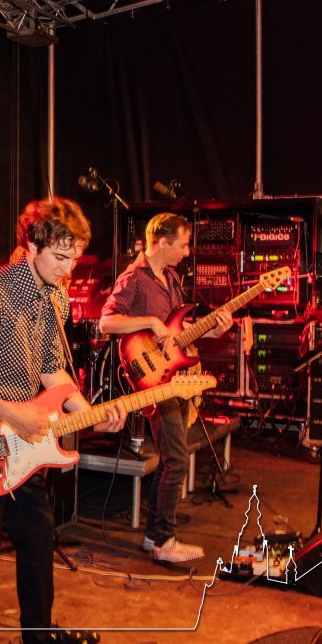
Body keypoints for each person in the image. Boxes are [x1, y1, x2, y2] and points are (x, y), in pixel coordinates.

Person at [0, 197, 125, 644]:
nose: (68, 270)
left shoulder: (54, 297)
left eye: (74, 259)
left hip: (23, 442)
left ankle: (38, 633)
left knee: (39, 533)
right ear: (32, 246)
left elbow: (51, 370)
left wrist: (89, 413)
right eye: (60, 257)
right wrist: (12, 414)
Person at [97, 212, 231, 564]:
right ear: (161, 242)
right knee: (177, 459)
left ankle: (154, 535)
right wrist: (150, 321)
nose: (187, 252)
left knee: (172, 458)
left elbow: (178, 333)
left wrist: (214, 330)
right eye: (183, 245)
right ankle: (163, 541)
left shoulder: (171, 279)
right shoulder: (134, 278)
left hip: (175, 379)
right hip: (153, 380)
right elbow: (106, 322)